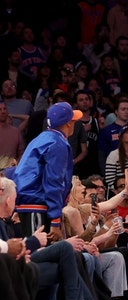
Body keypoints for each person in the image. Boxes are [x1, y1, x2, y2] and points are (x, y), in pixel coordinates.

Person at [14, 102, 82, 241]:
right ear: (69, 123)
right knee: (38, 255)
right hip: (37, 205)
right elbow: (54, 182)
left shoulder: (41, 138)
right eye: (74, 119)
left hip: (30, 203)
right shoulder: (57, 144)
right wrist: (55, 219)